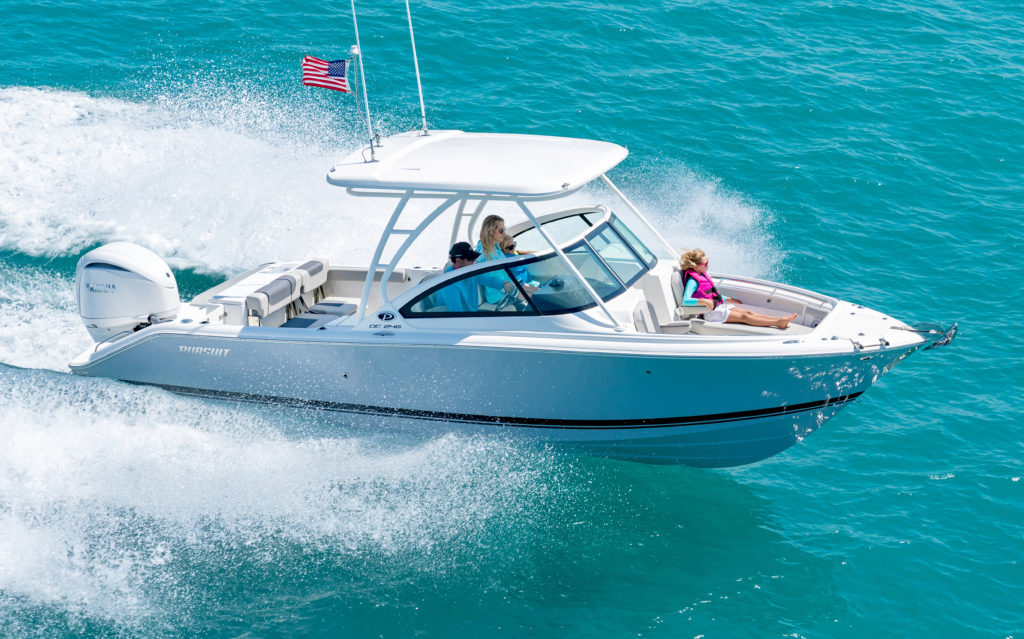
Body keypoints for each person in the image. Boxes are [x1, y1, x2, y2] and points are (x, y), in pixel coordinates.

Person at [679, 249, 797, 329]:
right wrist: (704, 301)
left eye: (707, 262)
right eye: (705, 264)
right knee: (745, 317)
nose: (707, 265)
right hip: (710, 313)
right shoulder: (692, 281)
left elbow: (711, 294)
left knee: (749, 313)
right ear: (695, 266)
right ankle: (778, 323)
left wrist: (730, 299)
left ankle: (779, 319)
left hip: (718, 306)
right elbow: (685, 300)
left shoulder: (702, 275)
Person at [437, 242, 481, 312]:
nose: (474, 261)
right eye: (470, 259)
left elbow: (488, 279)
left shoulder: (466, 274)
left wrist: (502, 284)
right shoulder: (449, 284)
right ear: (458, 261)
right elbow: (458, 313)